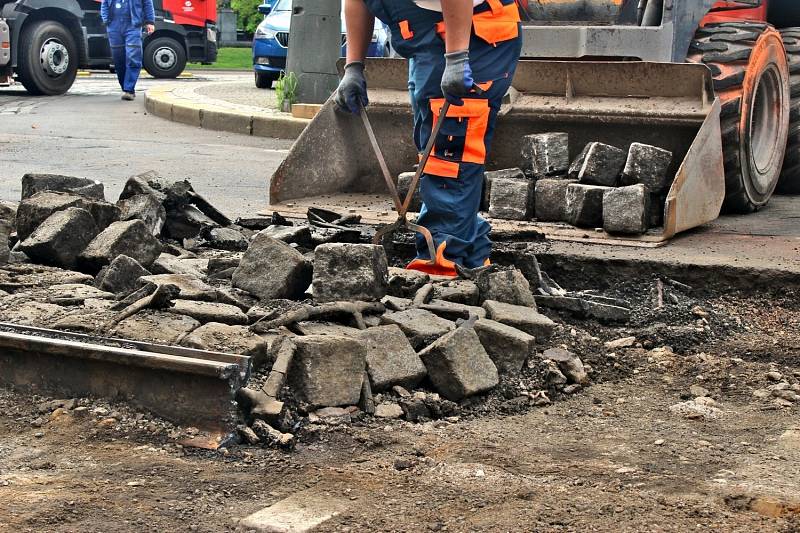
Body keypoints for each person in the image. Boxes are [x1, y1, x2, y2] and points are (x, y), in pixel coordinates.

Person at [335, 0, 522, 276]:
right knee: (431, 146)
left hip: (474, 35)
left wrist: (458, 57)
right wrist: (353, 66)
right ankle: (471, 259)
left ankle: (446, 264)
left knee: (449, 153)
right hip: (427, 39)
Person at [101, 0, 156, 100]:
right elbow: (104, 3)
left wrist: (150, 21)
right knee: (119, 59)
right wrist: (106, 19)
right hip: (114, 25)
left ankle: (129, 89)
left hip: (133, 25)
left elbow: (147, 3)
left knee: (133, 57)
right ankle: (125, 87)